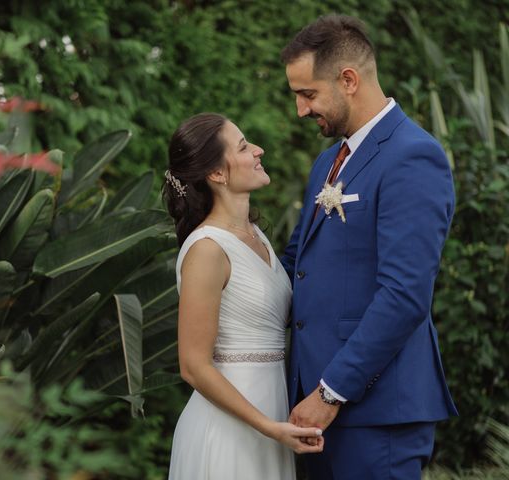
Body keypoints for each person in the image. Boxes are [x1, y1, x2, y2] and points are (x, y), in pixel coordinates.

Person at [280, 14, 458, 479]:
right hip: (311, 410)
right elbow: (296, 262)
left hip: (375, 413)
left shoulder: (412, 156)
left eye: (308, 94)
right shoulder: (327, 163)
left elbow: (404, 295)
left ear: (349, 80)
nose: (301, 109)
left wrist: (330, 393)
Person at [164, 113, 323, 479]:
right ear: (217, 174)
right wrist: (269, 426)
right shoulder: (207, 249)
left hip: (270, 425)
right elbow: (193, 365)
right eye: (243, 147)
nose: (258, 150)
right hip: (228, 433)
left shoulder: (255, 235)